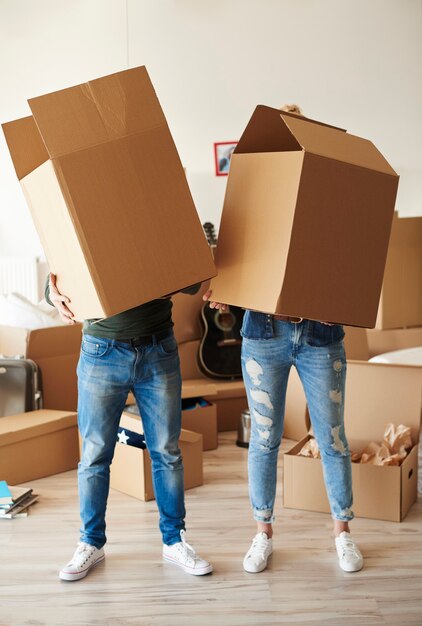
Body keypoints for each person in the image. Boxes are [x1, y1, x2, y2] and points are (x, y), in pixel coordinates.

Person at [202, 104, 363, 576]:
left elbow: (349, 263)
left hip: (320, 335)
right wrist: (225, 292)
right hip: (263, 335)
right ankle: (262, 533)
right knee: (265, 439)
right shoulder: (253, 196)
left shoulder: (331, 201)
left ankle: (343, 534)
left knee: (331, 436)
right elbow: (236, 258)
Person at [46, 274, 213, 580]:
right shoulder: (87, 225)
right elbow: (61, 268)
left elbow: (191, 277)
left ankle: (174, 540)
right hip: (102, 351)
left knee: (167, 451)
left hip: (157, 350)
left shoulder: (163, 225)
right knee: (95, 454)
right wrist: (51, 293)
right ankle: (91, 542)